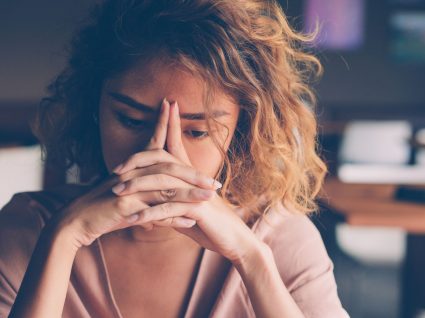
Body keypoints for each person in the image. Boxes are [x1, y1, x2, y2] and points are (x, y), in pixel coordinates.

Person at [0, 0, 350, 317]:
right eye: (131, 120)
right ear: (95, 109)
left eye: (197, 131)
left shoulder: (279, 240)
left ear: (241, 132)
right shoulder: (28, 230)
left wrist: (253, 261)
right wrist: (63, 239)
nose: (161, 154)